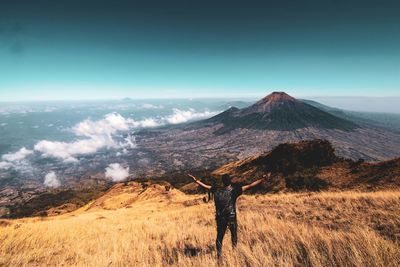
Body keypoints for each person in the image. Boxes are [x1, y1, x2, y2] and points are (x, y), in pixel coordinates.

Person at [187, 172, 271, 257]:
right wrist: (262, 179)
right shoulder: (235, 190)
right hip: (231, 217)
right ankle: (234, 252)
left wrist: (195, 180)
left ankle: (219, 255)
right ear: (230, 181)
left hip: (220, 217)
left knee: (219, 237)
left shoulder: (216, 190)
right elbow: (250, 185)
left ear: (222, 182)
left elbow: (205, 186)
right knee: (233, 235)